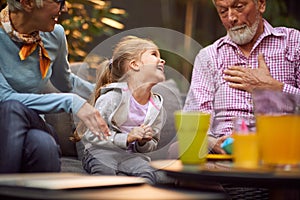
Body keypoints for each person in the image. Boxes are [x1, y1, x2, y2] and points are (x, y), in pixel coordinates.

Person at [0, 0, 109, 173]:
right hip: (7, 119)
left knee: (18, 115)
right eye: (59, 1)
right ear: (27, 3)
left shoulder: (54, 35)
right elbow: (4, 97)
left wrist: (108, 92)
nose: (65, 8)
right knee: (43, 145)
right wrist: (71, 102)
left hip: (33, 121)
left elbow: (66, 82)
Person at [183, 0, 300, 154]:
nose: (231, 18)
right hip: (226, 157)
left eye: (239, 7)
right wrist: (212, 143)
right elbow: (193, 124)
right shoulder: (209, 56)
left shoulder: (293, 42)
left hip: (283, 150)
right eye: (223, 11)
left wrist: (273, 88)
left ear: (261, 4)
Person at [79, 36, 166, 184]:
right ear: (135, 65)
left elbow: (152, 145)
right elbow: (91, 135)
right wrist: (126, 138)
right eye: (154, 54)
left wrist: (144, 142)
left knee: (148, 174)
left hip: (131, 156)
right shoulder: (111, 98)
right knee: (104, 172)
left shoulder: (157, 106)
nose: (162, 60)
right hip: (101, 152)